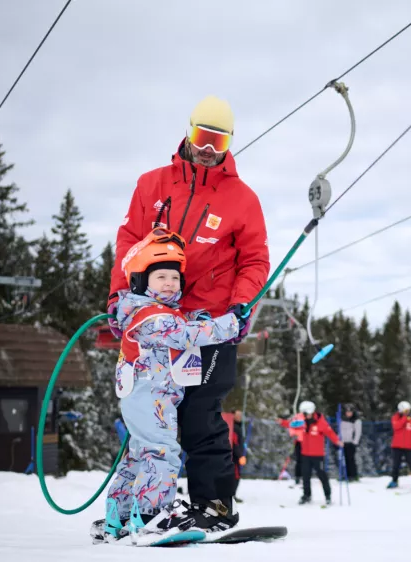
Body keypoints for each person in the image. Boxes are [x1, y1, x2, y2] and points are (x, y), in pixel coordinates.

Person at [105, 95, 270, 534]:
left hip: (209, 325)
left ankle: (212, 504)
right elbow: (129, 242)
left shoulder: (242, 199)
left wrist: (240, 306)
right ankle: (133, 510)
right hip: (156, 323)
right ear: (188, 132)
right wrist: (120, 296)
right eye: (202, 137)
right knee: (152, 419)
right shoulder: (152, 185)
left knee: (201, 413)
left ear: (230, 143)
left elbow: (255, 260)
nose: (208, 149)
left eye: (219, 141)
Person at [91, 228, 243, 545]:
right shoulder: (148, 315)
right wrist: (229, 324)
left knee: (138, 457)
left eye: (175, 278)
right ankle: (152, 516)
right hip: (149, 398)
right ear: (140, 281)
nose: (170, 283)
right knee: (162, 452)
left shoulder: (157, 312)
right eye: (161, 277)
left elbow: (182, 324)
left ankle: (119, 518)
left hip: (150, 399)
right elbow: (186, 335)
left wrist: (202, 316)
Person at [288, 401, 342, 504]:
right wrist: (282, 422)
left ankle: (328, 496)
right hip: (305, 454)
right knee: (306, 476)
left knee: (322, 475)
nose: (305, 416)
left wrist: (337, 441)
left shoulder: (320, 422)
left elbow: (330, 432)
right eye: (304, 414)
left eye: (306, 414)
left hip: (318, 456)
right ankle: (306, 495)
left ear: (311, 412)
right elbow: (290, 425)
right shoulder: (302, 422)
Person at [387, 401, 411, 490]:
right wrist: (405, 418)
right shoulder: (395, 418)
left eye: (408, 410)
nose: (408, 412)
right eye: (406, 410)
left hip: (407, 446)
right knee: (396, 464)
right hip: (397, 446)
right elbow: (396, 426)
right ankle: (394, 481)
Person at [278, 409, 306, 487]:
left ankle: (305, 478)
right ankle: (298, 478)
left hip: (308, 442)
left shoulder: (311, 417)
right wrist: (283, 422)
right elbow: (292, 424)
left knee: (307, 461)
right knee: (299, 461)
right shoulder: (298, 417)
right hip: (299, 442)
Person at [340, 404, 362, 482]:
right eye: (347, 412)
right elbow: (340, 430)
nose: (348, 413)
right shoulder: (342, 420)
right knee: (345, 459)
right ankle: (347, 475)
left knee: (351, 459)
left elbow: (358, 432)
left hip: (351, 442)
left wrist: (355, 442)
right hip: (343, 442)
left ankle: (353, 475)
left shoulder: (356, 420)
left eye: (350, 412)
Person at [230, 410, 246, 503]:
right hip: (234, 457)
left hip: (234, 456)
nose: (240, 417)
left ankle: (231, 495)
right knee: (235, 476)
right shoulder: (234, 427)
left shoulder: (237, 427)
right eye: (238, 415)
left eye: (241, 415)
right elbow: (235, 443)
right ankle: (231, 496)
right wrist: (240, 456)